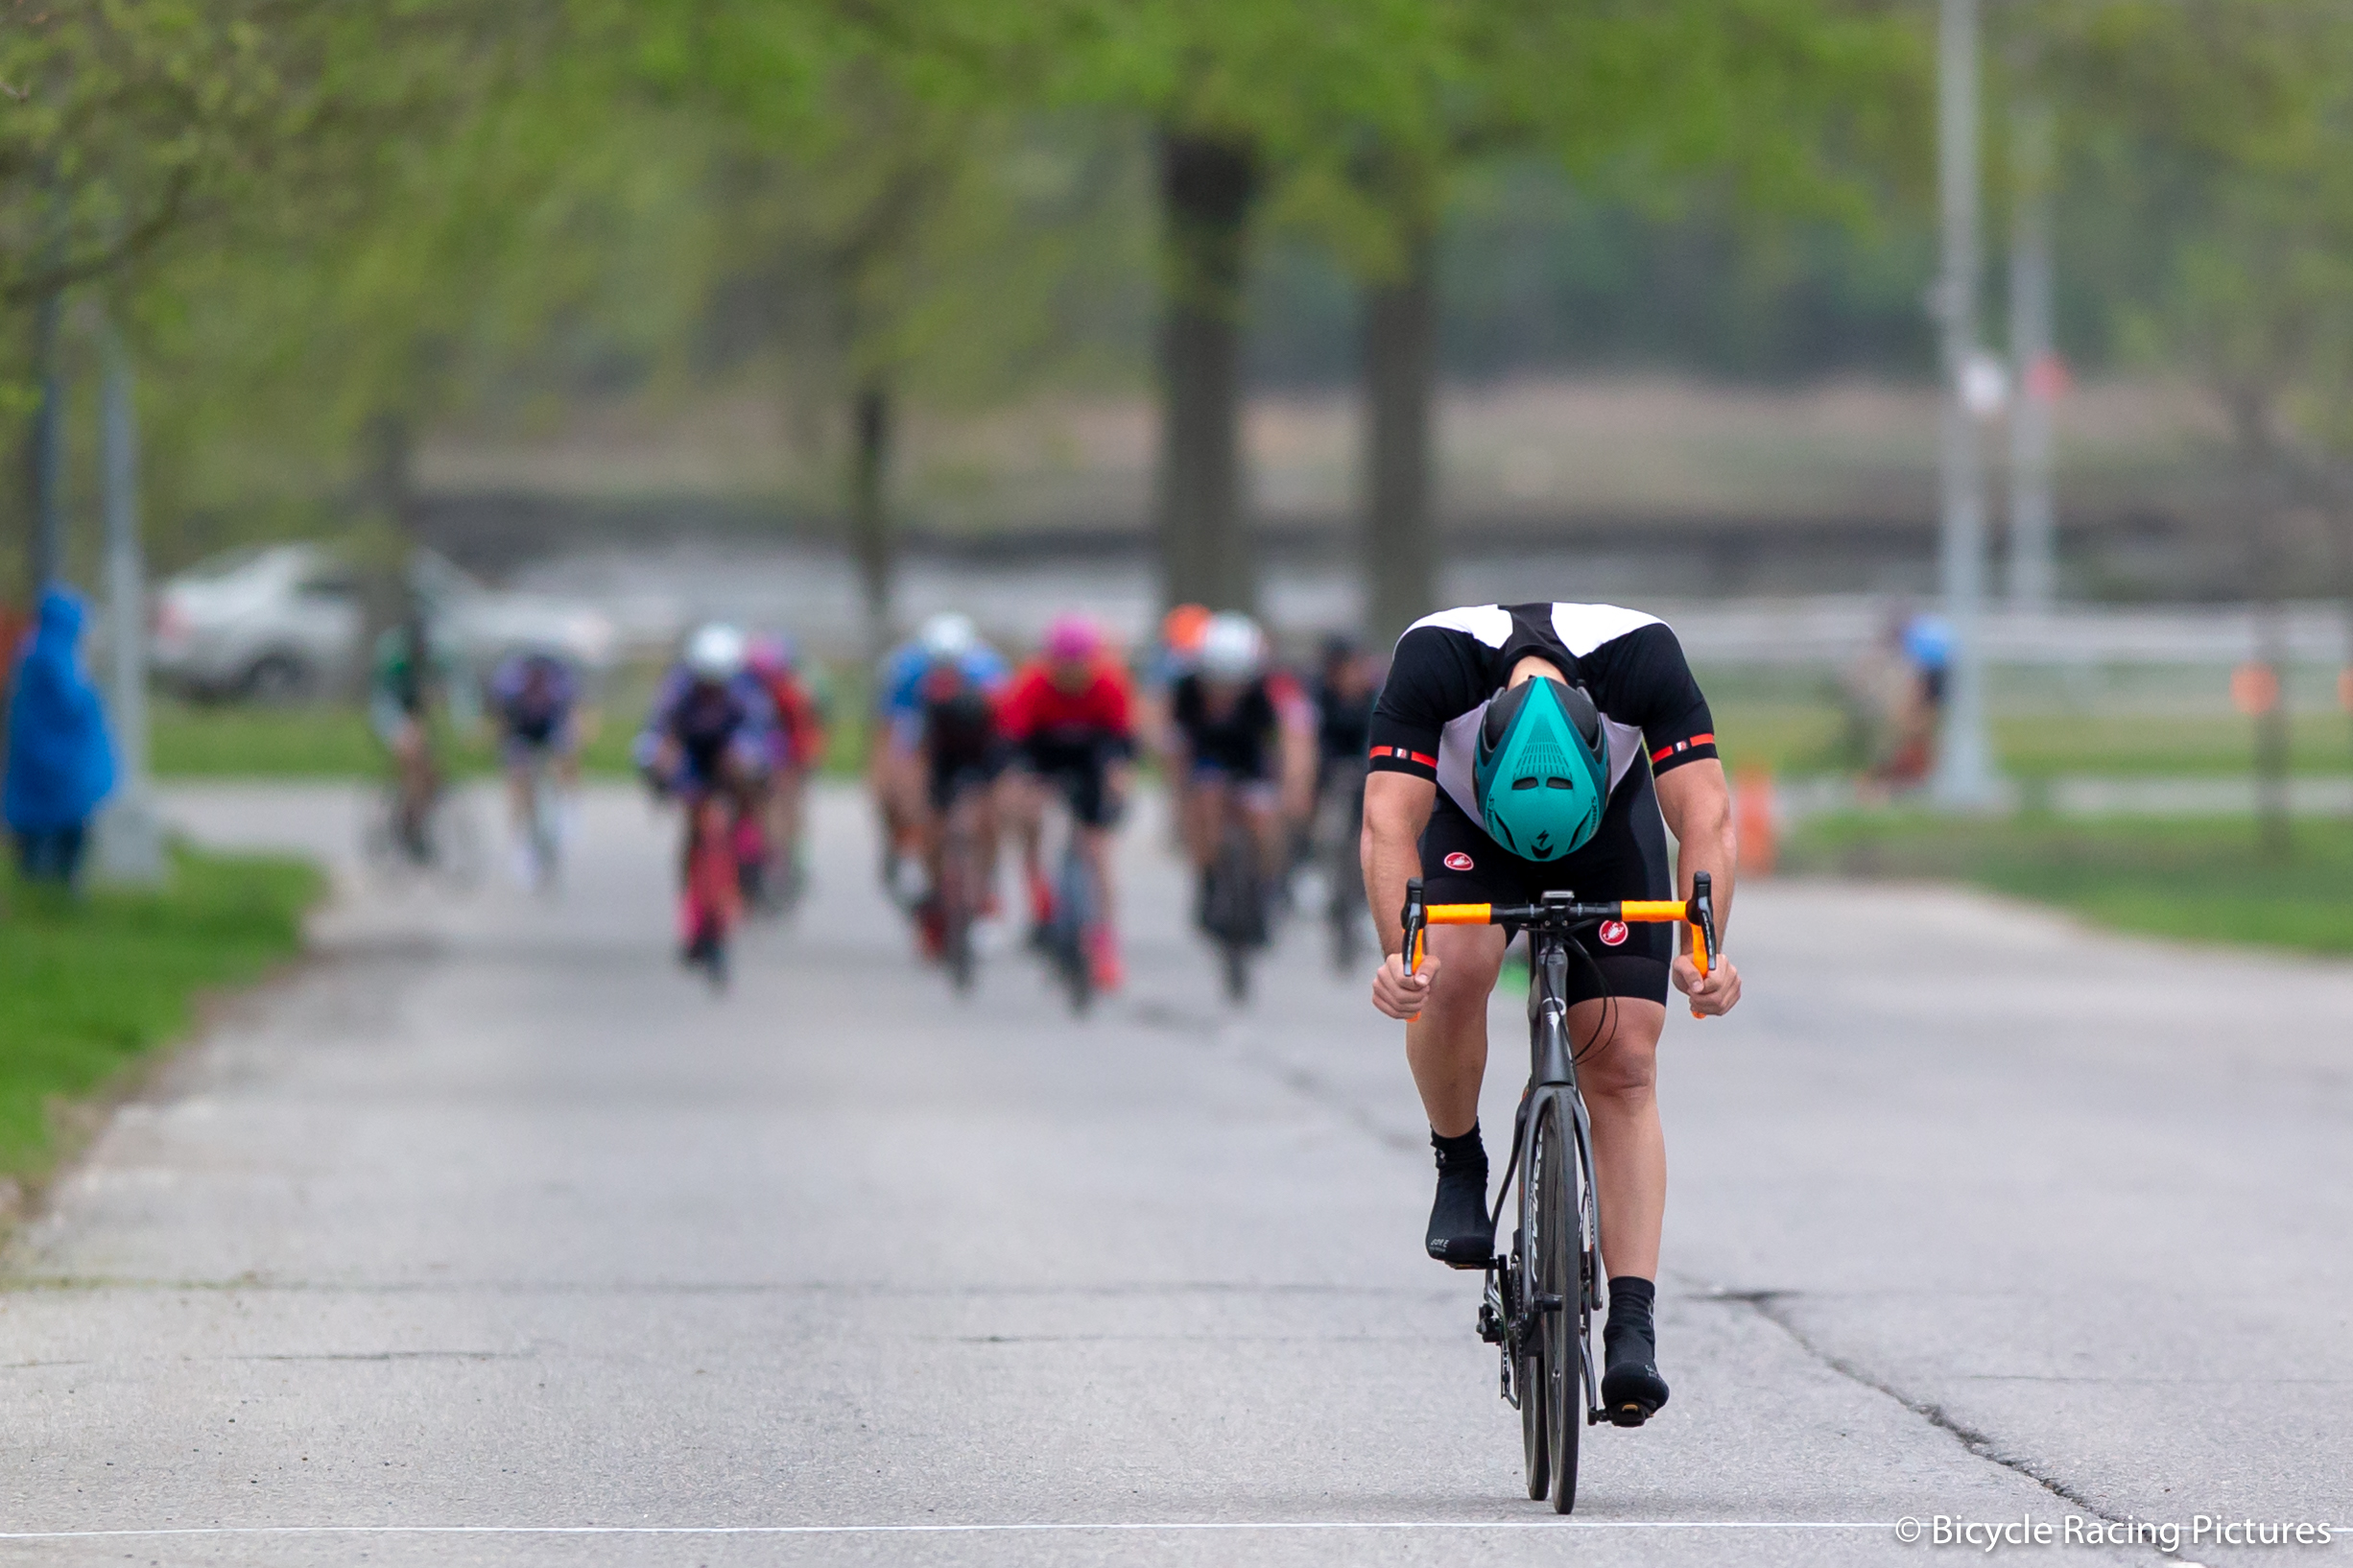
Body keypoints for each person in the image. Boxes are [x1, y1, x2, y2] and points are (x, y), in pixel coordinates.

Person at [1361, 602, 1743, 1429]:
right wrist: (1404, 957)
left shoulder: (1642, 658)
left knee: (1627, 1060)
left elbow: (1704, 816)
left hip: (1605, 823)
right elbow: (1389, 820)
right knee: (1454, 965)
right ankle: (1458, 1159)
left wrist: (1706, 955)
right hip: (1471, 829)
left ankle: (1633, 1322)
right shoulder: (1434, 660)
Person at [998, 612, 1136, 989]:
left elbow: (1122, 748)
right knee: (1028, 816)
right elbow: (1011, 747)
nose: (1073, 674)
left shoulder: (1110, 684)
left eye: (1080, 666)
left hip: (1092, 757)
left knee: (1098, 851)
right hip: (1044, 754)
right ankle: (1041, 899)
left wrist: (1118, 788)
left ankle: (1104, 943)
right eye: (1065, 666)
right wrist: (1018, 792)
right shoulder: (1032, 684)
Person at [1167, 611, 1315, 935]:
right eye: (1215, 681)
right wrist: (1179, 801)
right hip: (1208, 760)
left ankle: (1267, 883)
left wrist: (1293, 786)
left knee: (1262, 816)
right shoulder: (1186, 690)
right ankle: (1207, 875)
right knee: (1205, 799)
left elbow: (1294, 742)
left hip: (1251, 761)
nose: (1223, 691)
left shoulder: (1270, 691)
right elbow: (1175, 748)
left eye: (1233, 682)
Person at [634, 624, 774, 964]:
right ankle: (693, 914)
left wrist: (749, 765)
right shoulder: (677, 689)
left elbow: (760, 739)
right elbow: (655, 735)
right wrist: (659, 768)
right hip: (693, 761)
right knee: (693, 830)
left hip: (730, 759)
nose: (711, 688)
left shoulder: (746, 692)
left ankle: (750, 853)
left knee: (746, 781)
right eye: (705, 680)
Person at [871, 613, 1008, 904]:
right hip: (932, 746)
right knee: (922, 811)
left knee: (991, 813)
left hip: (977, 747)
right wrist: (895, 783)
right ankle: (933, 886)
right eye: (938, 668)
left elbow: (1005, 736)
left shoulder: (988, 675)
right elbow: (897, 736)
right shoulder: (908, 673)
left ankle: (987, 884)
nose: (944, 675)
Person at [4, 587, 114, 886]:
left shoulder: (31, 652)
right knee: (62, 838)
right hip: (62, 773)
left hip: (33, 766)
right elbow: (75, 703)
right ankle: (54, 894)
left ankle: (41, 894)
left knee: (36, 836)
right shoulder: (56, 657)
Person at [487, 647, 583, 885]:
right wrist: (505, 749)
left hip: (549, 725)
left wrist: (573, 740)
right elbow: (500, 717)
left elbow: (572, 716)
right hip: (520, 728)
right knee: (519, 779)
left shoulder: (559, 677)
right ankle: (521, 843)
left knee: (566, 754)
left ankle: (567, 807)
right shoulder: (509, 680)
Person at [747, 632, 826, 906]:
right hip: (765, 752)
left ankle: (797, 857)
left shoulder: (793, 692)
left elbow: (804, 733)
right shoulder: (752, 691)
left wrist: (801, 762)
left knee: (789, 807)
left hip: (791, 753)